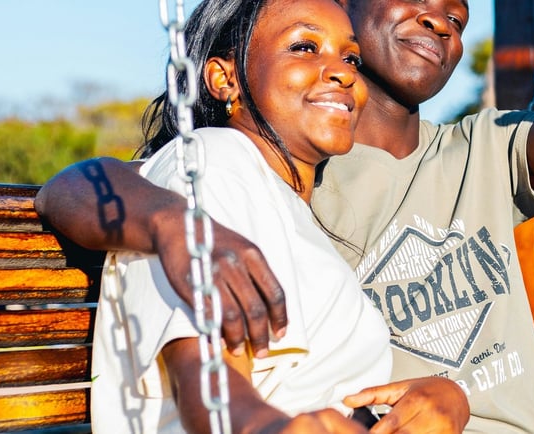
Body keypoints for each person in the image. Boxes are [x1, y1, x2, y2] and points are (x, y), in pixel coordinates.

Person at [36, 1, 534, 431]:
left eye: (458, 13)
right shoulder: (248, 168)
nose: (444, 16)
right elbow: (100, 189)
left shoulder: (469, 153)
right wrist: (168, 221)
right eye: (308, 46)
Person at [90, 1, 466, 432]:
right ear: (224, 78)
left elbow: (311, 392)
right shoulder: (216, 162)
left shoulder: (285, 205)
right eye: (305, 47)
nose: (345, 73)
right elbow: (213, 395)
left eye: (351, 58)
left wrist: (443, 395)